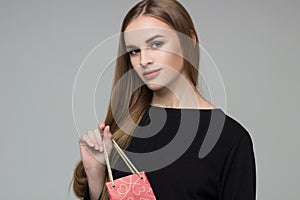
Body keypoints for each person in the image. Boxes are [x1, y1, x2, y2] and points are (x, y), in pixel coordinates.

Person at [71, 0, 256, 199]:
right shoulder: (121, 131)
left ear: (189, 41)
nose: (144, 60)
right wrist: (96, 176)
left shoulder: (230, 139)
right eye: (135, 51)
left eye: (156, 44)